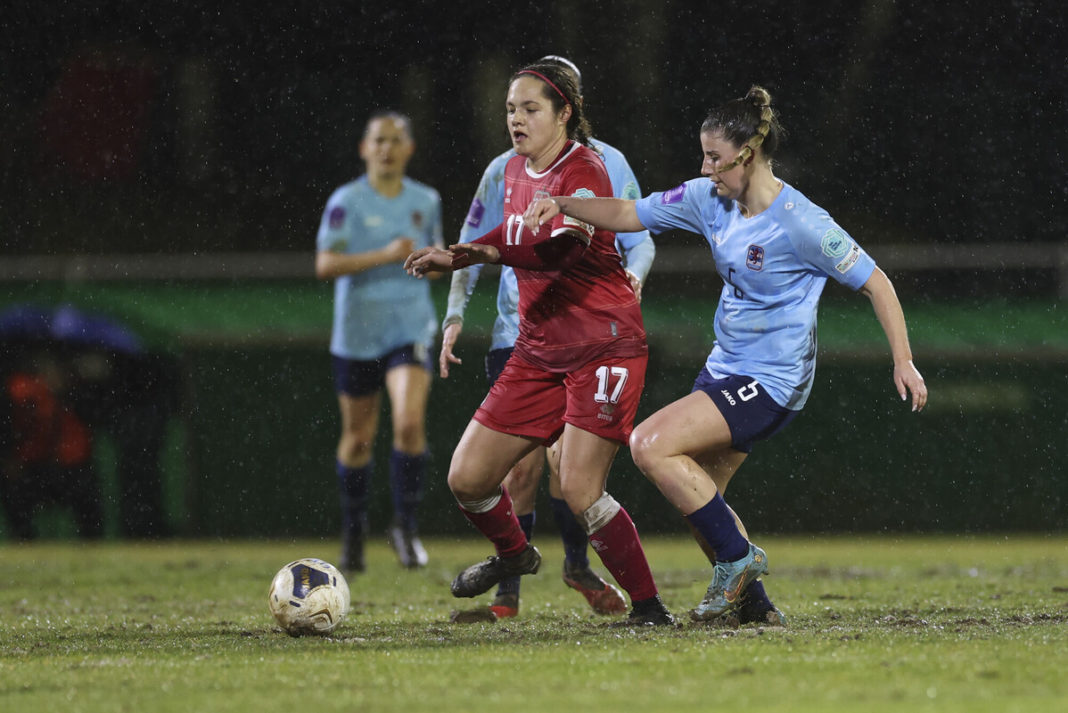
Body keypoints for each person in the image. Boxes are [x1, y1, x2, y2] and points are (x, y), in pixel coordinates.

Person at [523, 85, 928, 625]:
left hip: (774, 379)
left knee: (650, 446)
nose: (706, 167)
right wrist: (564, 203)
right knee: (701, 497)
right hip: (725, 366)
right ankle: (755, 609)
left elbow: (877, 282)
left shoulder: (802, 222)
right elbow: (628, 211)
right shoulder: (707, 199)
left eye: (715, 157)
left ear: (748, 155)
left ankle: (740, 560)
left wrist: (902, 359)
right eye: (704, 155)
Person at [405, 61, 674, 626]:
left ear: (564, 113)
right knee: (468, 479)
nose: (516, 120)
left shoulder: (586, 170)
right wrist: (459, 254)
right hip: (537, 351)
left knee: (577, 485)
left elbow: (562, 252)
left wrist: (489, 253)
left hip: (605, 346)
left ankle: (649, 609)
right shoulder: (513, 171)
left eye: (530, 109)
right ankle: (516, 555)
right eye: (510, 109)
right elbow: (507, 233)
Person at [315, 111, 443, 572]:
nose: (386, 148)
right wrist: (386, 255)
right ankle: (353, 536)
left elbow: (436, 255)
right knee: (358, 437)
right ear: (364, 148)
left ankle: (405, 528)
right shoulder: (345, 201)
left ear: (409, 149)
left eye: (395, 140)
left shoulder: (425, 200)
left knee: (409, 424)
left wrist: (432, 261)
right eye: (378, 140)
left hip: (409, 327)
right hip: (357, 333)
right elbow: (325, 265)